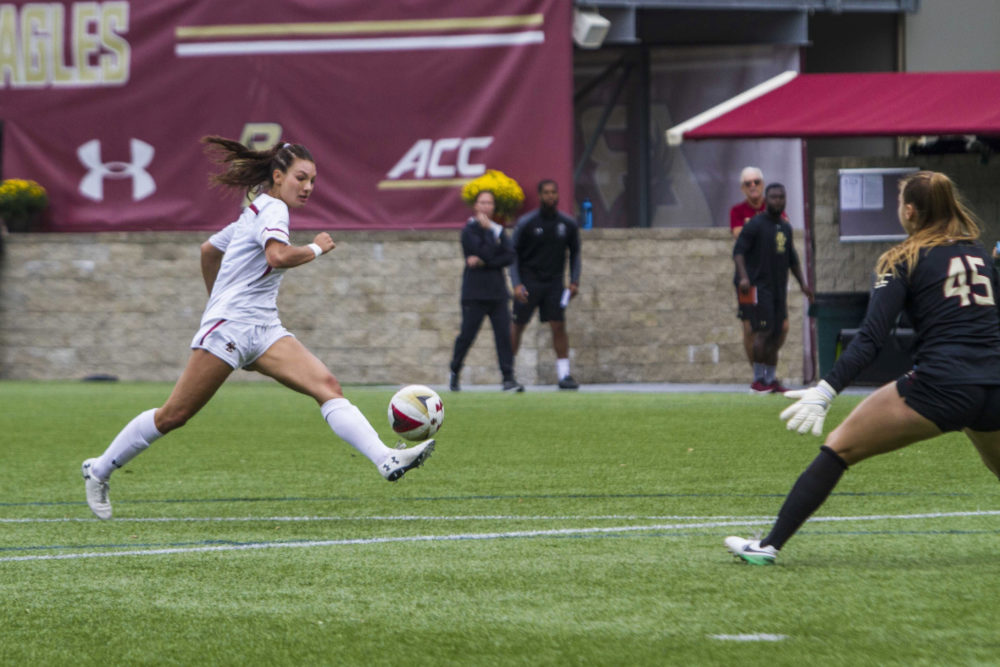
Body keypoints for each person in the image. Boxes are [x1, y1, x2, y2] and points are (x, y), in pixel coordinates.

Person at [81, 137, 434, 520]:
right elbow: (278, 256)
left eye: (313, 180)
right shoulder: (273, 210)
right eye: (301, 177)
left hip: (263, 329)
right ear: (278, 177)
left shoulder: (254, 213)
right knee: (174, 415)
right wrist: (316, 248)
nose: (309, 187)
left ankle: (386, 459)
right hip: (231, 327)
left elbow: (208, 250)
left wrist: (214, 299)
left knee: (326, 387)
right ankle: (98, 469)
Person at [725, 170, 1000, 565]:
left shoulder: (902, 257)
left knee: (839, 447)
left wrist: (826, 390)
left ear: (910, 210)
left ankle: (768, 546)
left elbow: (872, 337)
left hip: (939, 386)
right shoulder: (978, 254)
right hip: (993, 387)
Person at [733, 183, 813, 394]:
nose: (778, 201)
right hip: (759, 287)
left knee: (777, 332)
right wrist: (743, 278)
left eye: (781, 197)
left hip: (778, 288)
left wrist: (803, 284)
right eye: (774, 197)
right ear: (766, 200)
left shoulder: (785, 227)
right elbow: (738, 251)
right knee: (763, 331)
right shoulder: (755, 224)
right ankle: (758, 380)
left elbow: (792, 259)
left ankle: (771, 379)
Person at [510, 179, 582, 390]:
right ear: (540, 195)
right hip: (529, 282)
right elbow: (512, 254)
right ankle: (508, 373)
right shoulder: (527, 223)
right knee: (517, 325)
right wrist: (516, 284)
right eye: (546, 193)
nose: (551, 196)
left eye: (554, 192)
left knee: (558, 325)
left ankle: (564, 375)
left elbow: (576, 253)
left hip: (554, 283)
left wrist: (575, 280)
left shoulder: (567, 224)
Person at [448, 190, 523, 392]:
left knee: (503, 336)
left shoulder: (497, 229)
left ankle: (508, 378)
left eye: (489, 203)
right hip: (474, 294)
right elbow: (483, 251)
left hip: (497, 293)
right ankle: (454, 371)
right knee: (467, 335)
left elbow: (509, 255)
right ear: (476, 205)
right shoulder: (469, 230)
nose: (486, 207)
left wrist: (485, 260)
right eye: (482, 202)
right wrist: (490, 252)